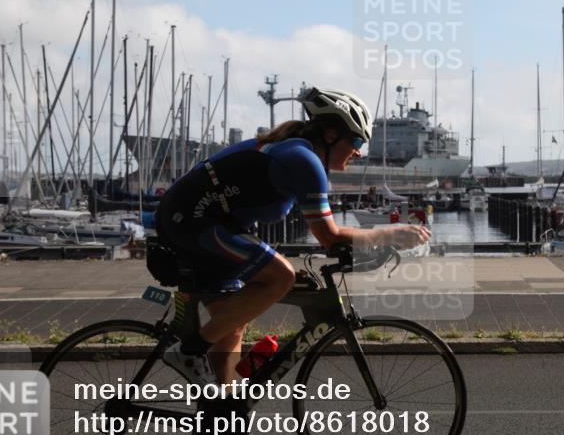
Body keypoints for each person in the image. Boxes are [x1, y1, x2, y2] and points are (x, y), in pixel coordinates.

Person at [155, 87, 430, 388]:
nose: (359, 151)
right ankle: (187, 351)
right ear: (329, 134)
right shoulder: (303, 160)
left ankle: (224, 424)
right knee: (280, 277)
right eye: (355, 140)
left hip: (203, 220)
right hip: (193, 221)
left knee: (230, 326)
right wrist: (391, 234)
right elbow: (330, 237)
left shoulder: (296, 152)